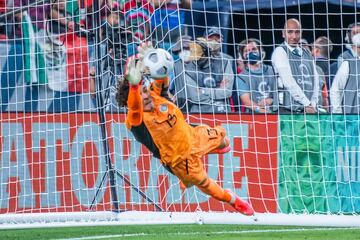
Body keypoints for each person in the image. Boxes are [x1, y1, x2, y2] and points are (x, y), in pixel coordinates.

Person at [115, 43, 254, 215]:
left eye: (145, 90)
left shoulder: (155, 95)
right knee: (204, 184)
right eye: (140, 93)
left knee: (225, 141)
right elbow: (135, 106)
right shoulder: (136, 120)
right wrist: (134, 87)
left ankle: (209, 151)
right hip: (180, 160)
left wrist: (152, 55)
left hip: (193, 135)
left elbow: (161, 77)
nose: (146, 95)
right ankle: (234, 201)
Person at [271, 18, 319, 113]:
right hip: (286, 110)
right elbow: (288, 82)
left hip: (307, 109)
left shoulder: (307, 54)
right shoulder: (280, 52)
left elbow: (315, 81)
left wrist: (313, 103)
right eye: (290, 32)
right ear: (283, 33)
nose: (294, 36)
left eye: (297, 32)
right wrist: (306, 103)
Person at [179, 36, 234, 113]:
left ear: (207, 53)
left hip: (222, 112)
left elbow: (227, 92)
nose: (196, 60)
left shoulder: (224, 63)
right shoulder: (188, 70)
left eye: (199, 57)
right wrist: (216, 100)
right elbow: (195, 97)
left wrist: (204, 91)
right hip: (199, 114)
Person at [236, 38, 278, 113]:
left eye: (254, 49)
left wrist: (272, 100)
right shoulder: (241, 77)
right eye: (247, 51)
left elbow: (281, 92)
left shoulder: (273, 70)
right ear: (243, 55)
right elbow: (247, 102)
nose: (251, 52)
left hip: (275, 113)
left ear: (260, 51)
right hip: (254, 116)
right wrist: (262, 111)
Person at [330, 25, 360, 114]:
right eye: (355, 33)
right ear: (349, 37)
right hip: (351, 115)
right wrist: (338, 114)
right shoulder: (345, 60)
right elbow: (335, 89)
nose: (358, 36)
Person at [311, 36, 333, 111]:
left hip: (320, 107)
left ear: (317, 50)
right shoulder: (333, 67)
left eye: (312, 47)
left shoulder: (314, 67)